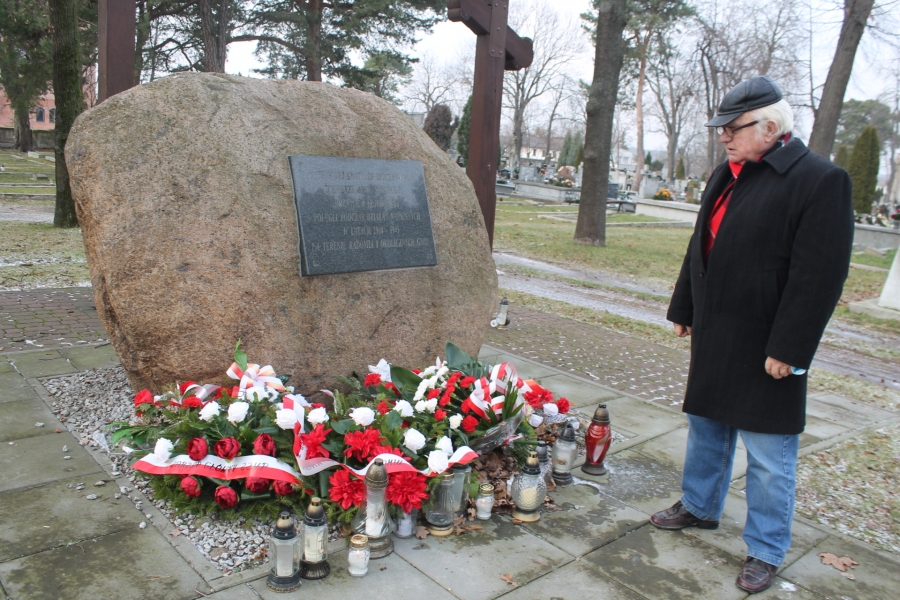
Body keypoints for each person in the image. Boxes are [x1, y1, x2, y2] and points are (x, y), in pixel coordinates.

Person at [649, 76, 854, 594]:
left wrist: (790, 347)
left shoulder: (820, 180)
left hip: (769, 344)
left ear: (769, 126)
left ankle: (766, 547)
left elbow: (819, 277)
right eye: (721, 128)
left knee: (768, 456)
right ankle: (699, 506)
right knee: (706, 427)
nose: (723, 136)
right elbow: (702, 244)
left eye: (733, 127)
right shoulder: (728, 173)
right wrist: (684, 305)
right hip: (718, 329)